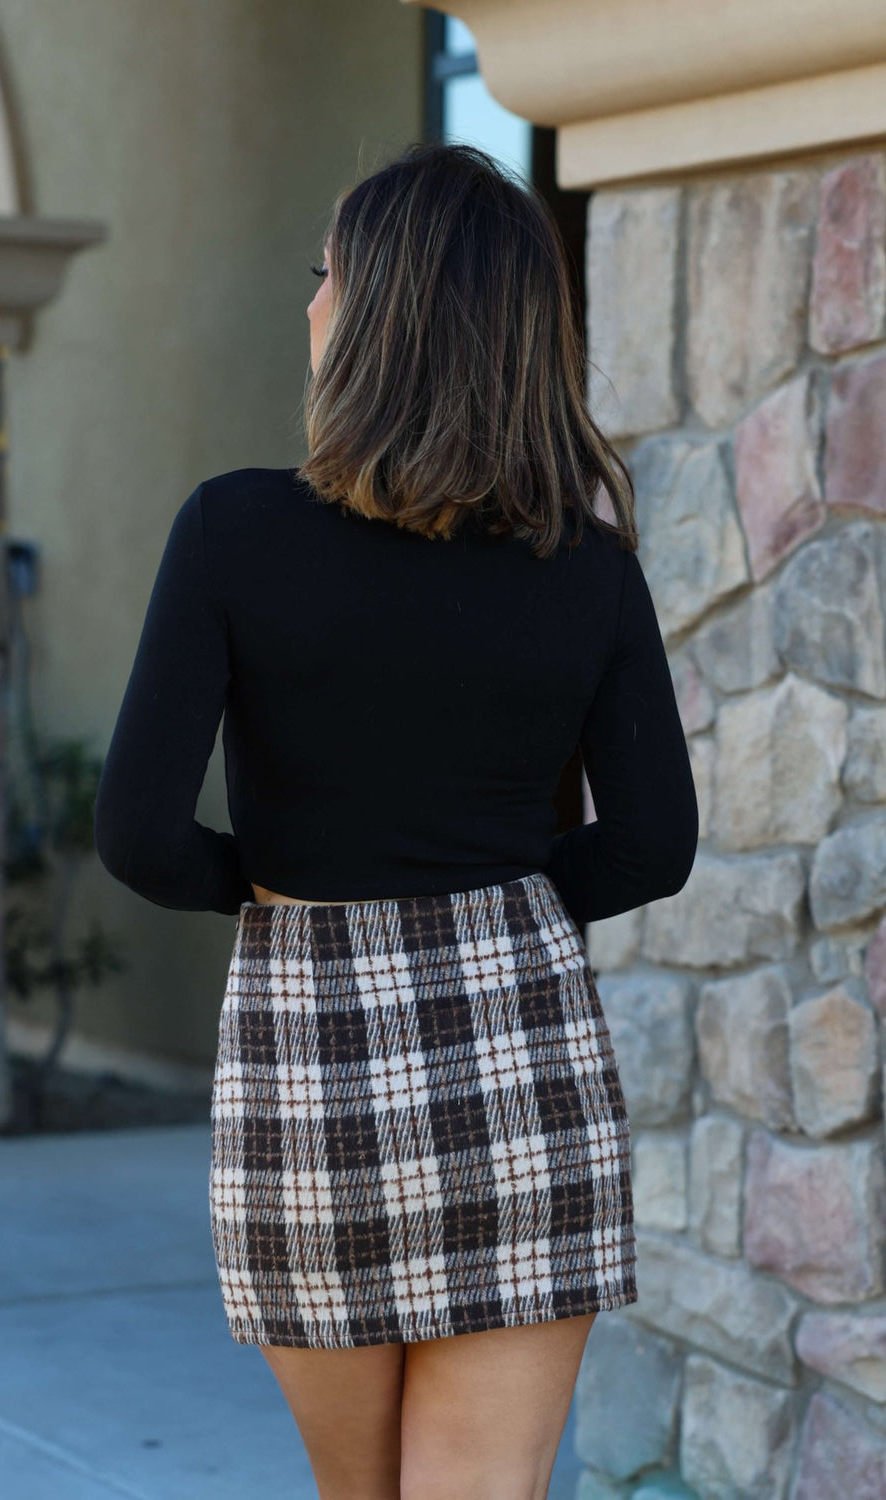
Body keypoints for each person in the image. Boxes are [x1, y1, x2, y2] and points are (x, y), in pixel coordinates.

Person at [93, 141, 698, 1500]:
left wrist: (266, 880)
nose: (310, 303)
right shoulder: (588, 564)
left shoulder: (234, 531)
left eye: (327, 275)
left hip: (312, 1049)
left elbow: (138, 832)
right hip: (522, 1050)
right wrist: (495, 899)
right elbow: (654, 844)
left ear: (372, 315)